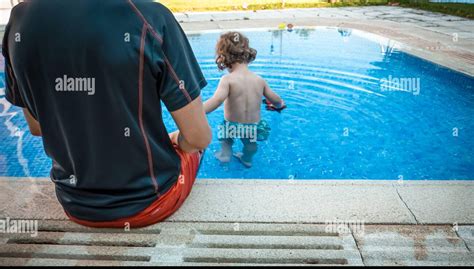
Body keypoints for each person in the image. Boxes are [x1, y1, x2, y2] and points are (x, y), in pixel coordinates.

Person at [2, 0, 211, 228]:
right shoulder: (147, 16)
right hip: (149, 203)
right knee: (195, 146)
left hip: (74, 203)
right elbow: (198, 137)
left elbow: (37, 127)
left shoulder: (20, 20)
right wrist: (178, 141)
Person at [204, 32, 286, 168]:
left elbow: (216, 100)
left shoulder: (227, 79)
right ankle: (247, 159)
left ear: (223, 57)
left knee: (226, 141)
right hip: (252, 127)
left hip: (231, 125)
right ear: (247, 54)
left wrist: (198, 111)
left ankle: (225, 155)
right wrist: (279, 104)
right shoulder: (259, 80)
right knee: (250, 145)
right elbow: (275, 98)